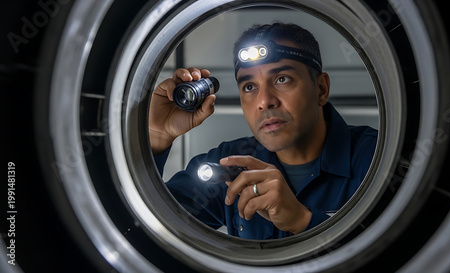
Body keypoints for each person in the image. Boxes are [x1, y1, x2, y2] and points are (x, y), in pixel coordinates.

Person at [149, 22, 377, 240]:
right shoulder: (227, 166)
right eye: (250, 87)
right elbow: (146, 228)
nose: (264, 101)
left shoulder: (379, 159)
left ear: (321, 89)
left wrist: (303, 220)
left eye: (282, 79)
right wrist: (156, 137)